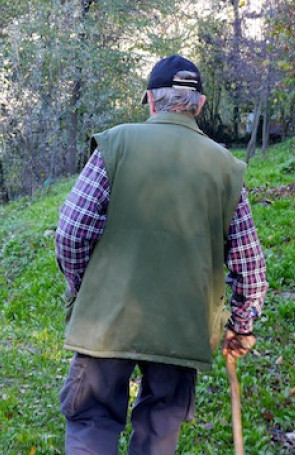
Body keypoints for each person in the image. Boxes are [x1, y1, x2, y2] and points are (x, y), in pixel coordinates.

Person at [54, 55, 268, 455]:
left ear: (151, 100)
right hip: (182, 327)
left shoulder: (115, 144)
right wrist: (241, 324)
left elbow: (72, 232)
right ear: (200, 105)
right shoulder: (227, 168)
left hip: (106, 321)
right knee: (159, 434)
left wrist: (87, 287)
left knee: (91, 423)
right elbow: (249, 266)